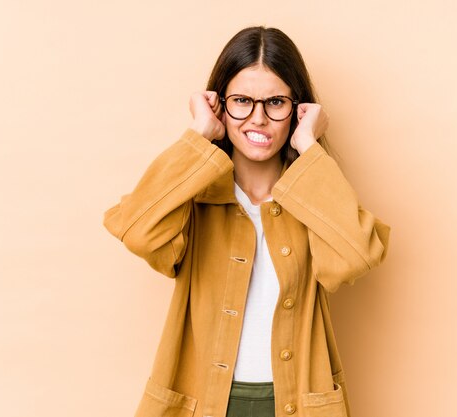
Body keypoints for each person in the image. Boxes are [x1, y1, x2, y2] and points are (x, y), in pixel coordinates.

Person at [104, 26, 390, 417]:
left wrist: (308, 147)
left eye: (275, 102)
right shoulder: (194, 199)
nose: (258, 119)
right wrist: (198, 134)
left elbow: (356, 255)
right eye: (241, 101)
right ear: (220, 105)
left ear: (297, 108)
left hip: (297, 404)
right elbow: (138, 231)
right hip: (202, 404)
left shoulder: (312, 200)